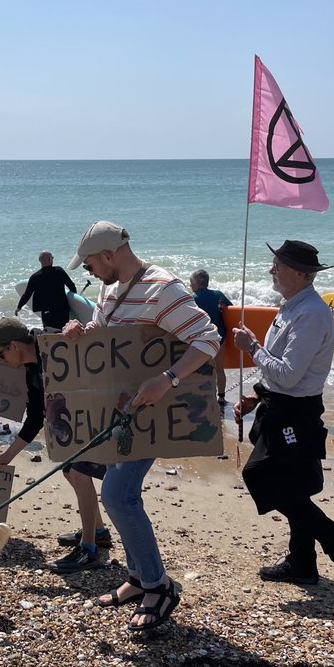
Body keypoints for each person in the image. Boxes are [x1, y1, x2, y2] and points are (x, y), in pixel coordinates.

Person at [62, 221, 218, 631]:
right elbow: (105, 333)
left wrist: (168, 380)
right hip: (119, 413)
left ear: (110, 256)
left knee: (118, 496)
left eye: (91, 264)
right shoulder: (109, 289)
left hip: (152, 414)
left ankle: (158, 586)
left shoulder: (163, 288)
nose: (88, 271)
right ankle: (136, 577)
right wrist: (81, 331)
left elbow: (208, 339)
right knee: (119, 495)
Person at [232, 240, 334, 606]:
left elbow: (290, 375)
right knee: (295, 486)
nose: (271, 271)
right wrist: (257, 395)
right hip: (280, 406)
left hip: (296, 412)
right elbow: (282, 373)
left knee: (262, 476)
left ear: (298, 273)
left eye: (277, 265)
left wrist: (252, 347)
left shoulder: (310, 313)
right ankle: (302, 563)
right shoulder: (292, 307)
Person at [0, 317, 115, 573]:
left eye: (0, 355)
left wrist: (77, 325)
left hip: (97, 419)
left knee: (79, 471)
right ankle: (98, 532)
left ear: (13, 346)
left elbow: (93, 342)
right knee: (70, 471)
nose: (2, 361)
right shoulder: (31, 370)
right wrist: (7, 455)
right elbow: (34, 418)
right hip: (74, 426)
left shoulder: (55, 342)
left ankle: (89, 550)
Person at [189, 269, 233, 405]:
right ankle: (221, 397)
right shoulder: (218, 294)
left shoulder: (192, 298)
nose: (190, 286)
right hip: (221, 336)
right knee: (220, 368)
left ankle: (206, 397)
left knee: (203, 369)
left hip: (203, 339)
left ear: (196, 283)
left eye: (191, 283)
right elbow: (231, 310)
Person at [16, 250, 77, 332]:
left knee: (49, 334)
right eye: (52, 257)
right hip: (62, 310)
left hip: (47, 312)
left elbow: (27, 295)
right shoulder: (59, 271)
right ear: (49, 259)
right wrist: (74, 300)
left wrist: (19, 307)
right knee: (63, 332)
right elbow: (71, 286)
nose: (53, 259)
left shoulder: (35, 277)